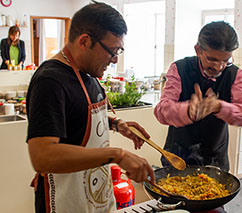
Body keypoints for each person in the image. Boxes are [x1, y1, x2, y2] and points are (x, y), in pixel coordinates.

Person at [26, 2, 154, 213]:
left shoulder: (88, 73)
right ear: (85, 41)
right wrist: (118, 155)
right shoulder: (50, 81)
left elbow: (76, 116)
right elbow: (42, 156)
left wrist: (116, 124)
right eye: (112, 51)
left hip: (97, 198)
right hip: (66, 201)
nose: (114, 60)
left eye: (118, 51)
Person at [154, 21, 242, 172]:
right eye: (212, 59)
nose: (218, 67)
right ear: (198, 50)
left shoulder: (234, 75)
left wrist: (220, 107)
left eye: (225, 61)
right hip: (177, 161)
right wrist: (187, 110)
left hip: (216, 163)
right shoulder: (179, 69)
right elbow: (161, 111)